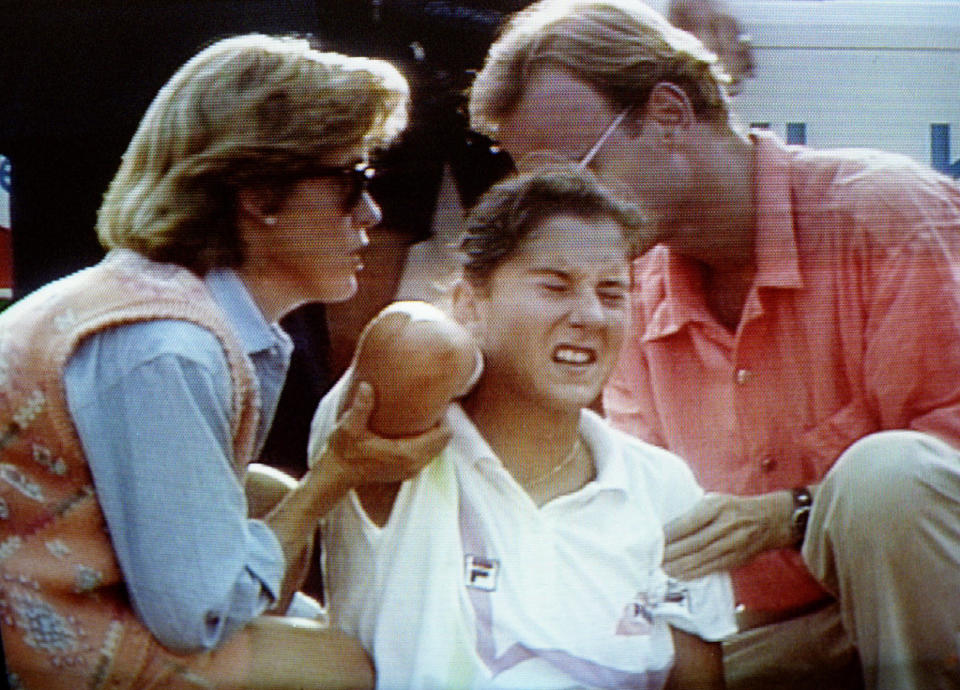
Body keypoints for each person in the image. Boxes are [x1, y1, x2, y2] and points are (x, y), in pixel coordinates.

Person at [467, 2, 960, 688]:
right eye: (543, 190)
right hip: (792, 628)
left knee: (888, 476)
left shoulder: (882, 211)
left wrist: (794, 515)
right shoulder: (622, 294)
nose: (561, 211)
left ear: (668, 115)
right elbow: (647, 526)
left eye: (578, 174)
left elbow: (935, 475)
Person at [0, 34, 452, 690]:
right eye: (351, 182)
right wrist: (337, 476)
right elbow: (195, 617)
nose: (371, 213)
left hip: (49, 580)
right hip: (28, 636)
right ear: (259, 194)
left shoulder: (179, 302)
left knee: (266, 493)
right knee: (343, 666)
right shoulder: (168, 347)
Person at [309, 167, 737, 689]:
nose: (590, 316)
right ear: (469, 302)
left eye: (612, 292)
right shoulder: (400, 447)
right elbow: (418, 344)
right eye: (555, 286)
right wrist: (473, 340)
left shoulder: (663, 484)